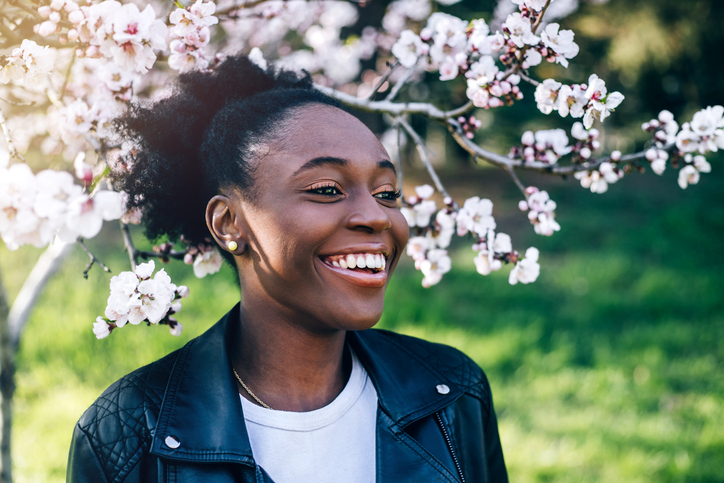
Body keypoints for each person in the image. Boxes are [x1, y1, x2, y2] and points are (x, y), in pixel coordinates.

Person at [67, 53, 508, 483]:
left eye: (387, 193)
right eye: (327, 189)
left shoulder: (454, 393)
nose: (376, 216)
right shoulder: (125, 435)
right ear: (229, 223)